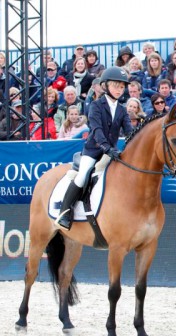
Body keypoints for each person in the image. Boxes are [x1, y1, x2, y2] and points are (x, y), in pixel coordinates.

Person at [55, 67, 133, 230]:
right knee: (82, 175)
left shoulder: (122, 109)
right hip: (93, 151)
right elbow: (96, 130)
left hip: (111, 152)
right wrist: (106, 147)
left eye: (122, 86)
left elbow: (129, 132)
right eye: (116, 85)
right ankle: (65, 212)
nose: (119, 89)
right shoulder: (96, 106)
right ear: (106, 86)